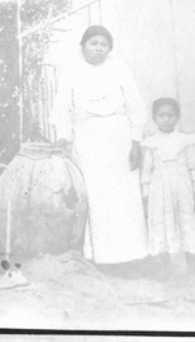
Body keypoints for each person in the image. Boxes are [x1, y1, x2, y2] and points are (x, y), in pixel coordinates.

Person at [51, 25, 149, 271]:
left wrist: (135, 141)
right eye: (93, 43)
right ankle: (102, 258)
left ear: (110, 48)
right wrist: (64, 137)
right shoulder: (71, 72)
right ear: (83, 45)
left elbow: (136, 106)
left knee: (124, 197)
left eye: (104, 44)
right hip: (89, 139)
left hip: (119, 138)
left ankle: (132, 257)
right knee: (97, 196)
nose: (98, 49)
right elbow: (61, 108)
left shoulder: (119, 69)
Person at [141, 98, 195, 278]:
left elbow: (192, 166)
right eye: (161, 115)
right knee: (161, 223)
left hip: (182, 186)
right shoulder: (151, 143)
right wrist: (146, 193)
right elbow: (147, 170)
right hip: (160, 187)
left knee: (186, 222)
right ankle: (165, 269)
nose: (166, 119)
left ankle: (191, 268)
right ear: (155, 118)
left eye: (170, 115)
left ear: (177, 117)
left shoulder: (185, 141)